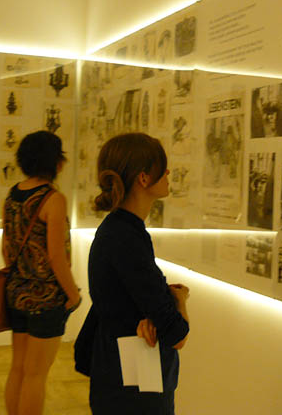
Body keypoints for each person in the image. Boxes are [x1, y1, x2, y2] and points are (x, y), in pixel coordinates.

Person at [87, 132, 190, 414]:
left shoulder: (118, 230)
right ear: (143, 178)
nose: (168, 173)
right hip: (133, 389)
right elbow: (177, 335)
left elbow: (128, 298)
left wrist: (152, 311)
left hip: (120, 378)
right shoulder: (126, 237)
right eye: (162, 167)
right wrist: (179, 299)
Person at [3, 130, 82, 415]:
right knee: (36, 375)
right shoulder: (53, 199)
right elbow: (56, 256)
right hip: (45, 298)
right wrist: (73, 295)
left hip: (16, 293)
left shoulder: (13, 194)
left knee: (18, 368)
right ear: (55, 161)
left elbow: (6, 248)